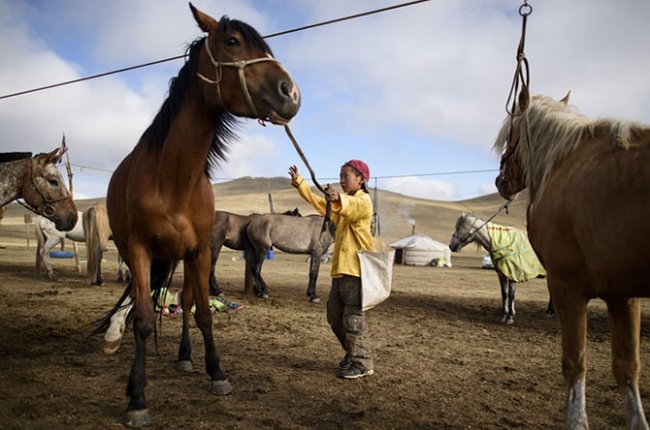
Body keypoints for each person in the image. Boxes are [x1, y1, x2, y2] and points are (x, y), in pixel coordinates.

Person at [288, 160, 375, 379]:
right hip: (340, 271)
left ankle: (363, 363)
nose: (342, 180)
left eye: (346, 176)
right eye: (340, 175)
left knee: (353, 319)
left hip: (355, 271)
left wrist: (338, 198)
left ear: (361, 179)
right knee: (334, 317)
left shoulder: (364, 201)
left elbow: (352, 207)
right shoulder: (343, 207)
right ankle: (353, 352)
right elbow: (321, 205)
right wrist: (300, 183)